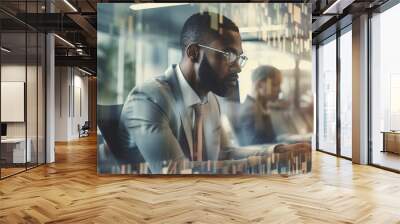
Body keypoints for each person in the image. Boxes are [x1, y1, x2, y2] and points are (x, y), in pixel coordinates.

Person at [118, 12, 309, 173]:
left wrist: (276, 152)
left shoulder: (210, 100)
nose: (238, 68)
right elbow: (177, 173)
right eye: (228, 55)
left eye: (239, 58)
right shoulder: (148, 99)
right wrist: (269, 163)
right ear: (194, 52)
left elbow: (223, 154)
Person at [235, 65, 284, 146]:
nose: (280, 90)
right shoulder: (249, 111)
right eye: (275, 85)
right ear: (260, 85)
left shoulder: (261, 108)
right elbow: (254, 148)